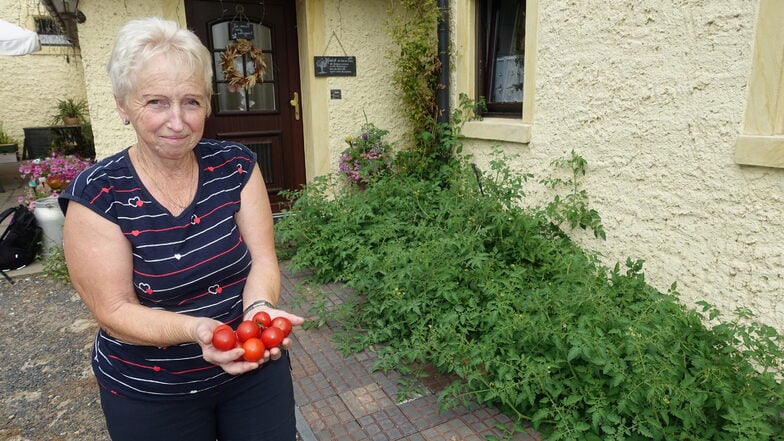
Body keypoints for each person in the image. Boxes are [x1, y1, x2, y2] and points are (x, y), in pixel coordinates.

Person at [58, 17, 303, 441]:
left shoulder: (235, 165)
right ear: (122, 105)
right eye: (155, 102)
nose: (178, 121)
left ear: (207, 103)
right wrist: (199, 330)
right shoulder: (98, 194)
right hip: (152, 391)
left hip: (253, 369)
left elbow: (262, 258)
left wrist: (258, 310)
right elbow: (113, 313)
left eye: (191, 101)